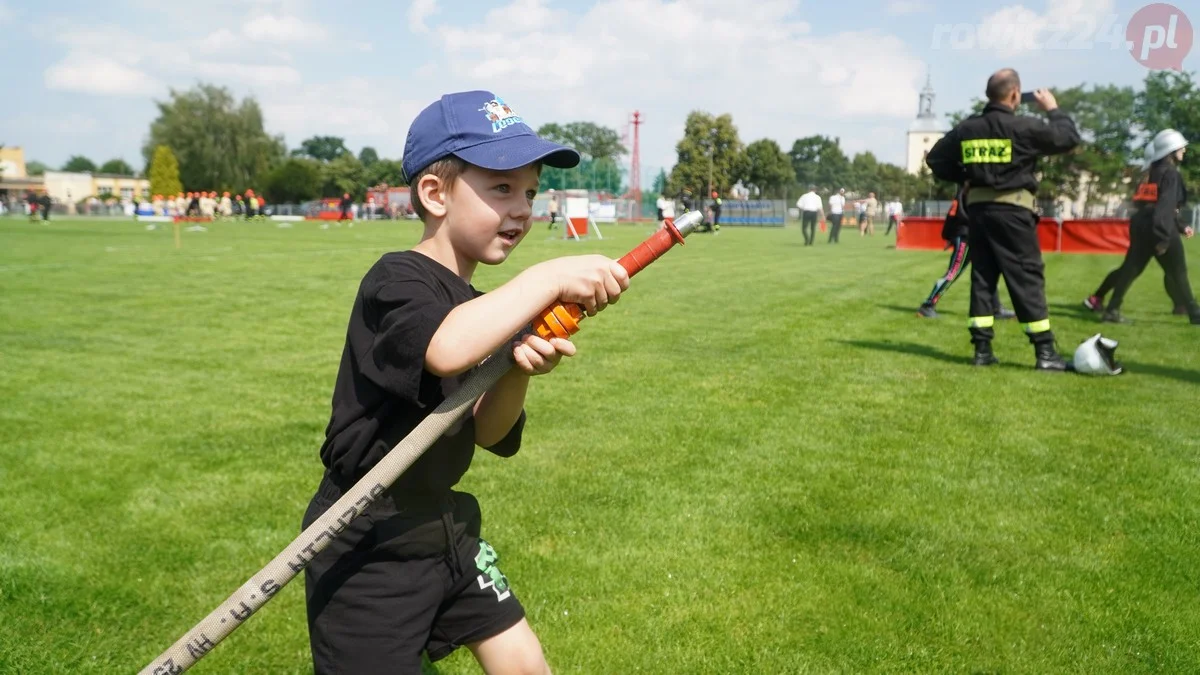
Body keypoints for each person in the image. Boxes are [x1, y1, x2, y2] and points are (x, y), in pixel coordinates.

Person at [301, 89, 630, 674]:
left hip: (447, 527)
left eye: (530, 192)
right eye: (501, 188)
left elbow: (488, 433)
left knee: (526, 666)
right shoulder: (396, 280)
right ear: (435, 194)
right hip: (366, 540)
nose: (523, 209)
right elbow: (446, 348)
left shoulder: (486, 309)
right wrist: (549, 276)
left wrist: (518, 370)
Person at [926, 68, 1080, 369]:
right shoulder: (1023, 127)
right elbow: (1068, 138)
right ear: (1014, 94)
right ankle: (1045, 352)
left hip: (978, 214)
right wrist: (1053, 109)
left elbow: (935, 159)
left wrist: (967, 176)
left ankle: (982, 350)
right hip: (1013, 212)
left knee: (983, 277)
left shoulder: (968, 128)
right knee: (1026, 276)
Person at [1097, 129, 1199, 325]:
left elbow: (1147, 204)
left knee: (1130, 270)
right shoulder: (1171, 174)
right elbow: (1165, 207)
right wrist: (1163, 237)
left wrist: (1179, 225)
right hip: (1160, 227)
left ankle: (1111, 310)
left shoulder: (1150, 173)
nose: (1184, 150)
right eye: (1181, 147)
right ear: (1171, 149)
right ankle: (1195, 313)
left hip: (1141, 225)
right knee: (1178, 273)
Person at [917, 184, 1016, 320]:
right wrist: (949, 235)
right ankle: (927, 306)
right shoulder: (969, 189)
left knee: (988, 272)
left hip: (978, 235)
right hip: (967, 236)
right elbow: (955, 213)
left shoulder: (972, 188)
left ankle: (995, 308)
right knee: (954, 272)